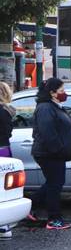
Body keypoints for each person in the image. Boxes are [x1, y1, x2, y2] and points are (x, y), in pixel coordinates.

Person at [29, 77, 71, 230]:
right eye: (61, 91)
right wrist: (58, 150)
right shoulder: (45, 108)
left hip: (52, 154)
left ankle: (29, 206)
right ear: (52, 93)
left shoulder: (53, 105)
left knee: (53, 183)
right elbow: (48, 133)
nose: (64, 93)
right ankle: (53, 219)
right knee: (55, 185)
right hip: (49, 154)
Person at [0, 82, 15, 240]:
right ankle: (4, 225)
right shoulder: (6, 112)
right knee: (5, 188)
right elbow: (8, 132)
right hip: (4, 149)